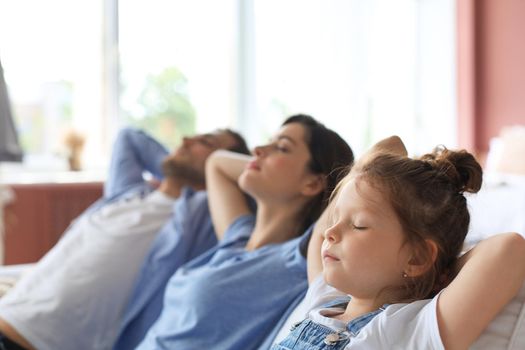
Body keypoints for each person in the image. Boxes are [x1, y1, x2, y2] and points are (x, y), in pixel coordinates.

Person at [0, 127, 249, 350]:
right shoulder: (127, 195)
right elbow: (129, 138)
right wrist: (179, 163)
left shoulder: (196, 219)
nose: (185, 139)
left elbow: (256, 189)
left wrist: (211, 169)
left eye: (206, 141)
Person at [270, 136, 525, 349]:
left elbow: (508, 248)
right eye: (335, 219)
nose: (330, 233)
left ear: (417, 258)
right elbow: (390, 144)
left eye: (358, 224)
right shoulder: (324, 297)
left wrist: (439, 269)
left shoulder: (407, 330)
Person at [133, 115, 354, 349]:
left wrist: (331, 183)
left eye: (282, 147)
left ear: (312, 184)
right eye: (268, 142)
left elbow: (379, 156)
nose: (257, 149)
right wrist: (269, 164)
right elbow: (216, 162)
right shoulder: (237, 238)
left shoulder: (297, 259)